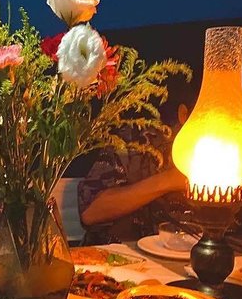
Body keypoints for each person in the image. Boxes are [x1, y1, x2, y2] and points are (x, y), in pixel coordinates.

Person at [77, 105, 189, 245]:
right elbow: (91, 213)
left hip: (189, 255)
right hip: (120, 254)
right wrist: (170, 180)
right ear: (183, 114)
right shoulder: (140, 144)